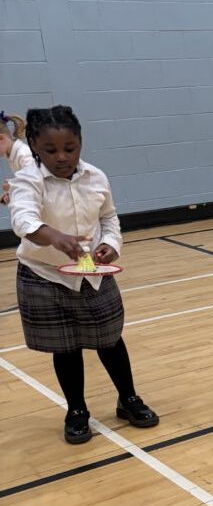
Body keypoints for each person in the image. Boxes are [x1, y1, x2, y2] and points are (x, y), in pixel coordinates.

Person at [8, 105, 159, 445]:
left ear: (80, 143)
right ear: (35, 146)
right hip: (44, 275)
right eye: (50, 150)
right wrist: (54, 236)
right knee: (66, 348)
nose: (61, 157)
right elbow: (22, 220)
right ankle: (76, 410)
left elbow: (109, 218)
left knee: (110, 339)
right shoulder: (28, 180)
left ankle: (128, 399)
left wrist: (111, 244)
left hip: (91, 270)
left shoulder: (96, 177)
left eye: (70, 148)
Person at [1, 111, 30, 205]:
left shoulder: (24, 154)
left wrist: (12, 186)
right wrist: (10, 193)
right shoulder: (10, 154)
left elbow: (35, 182)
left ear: (1, 138)